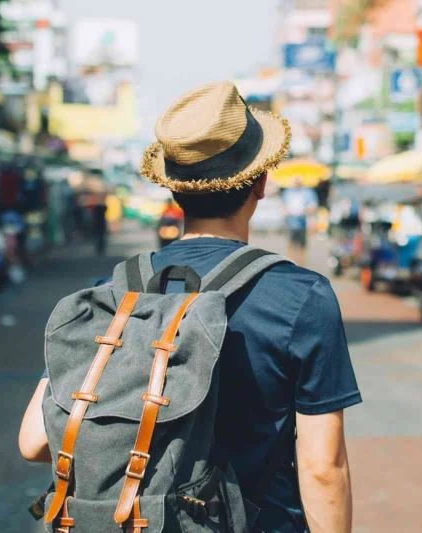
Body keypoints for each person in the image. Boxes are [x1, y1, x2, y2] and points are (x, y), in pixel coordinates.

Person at [18, 81, 360, 533]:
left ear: (173, 191)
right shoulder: (301, 296)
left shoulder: (114, 294)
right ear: (260, 183)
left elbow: (34, 441)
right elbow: (322, 467)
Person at [282, 177, 317, 265]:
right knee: (291, 244)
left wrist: (305, 210)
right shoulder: (287, 192)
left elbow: (313, 206)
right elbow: (283, 206)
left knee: (302, 245)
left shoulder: (308, 192)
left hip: (303, 221)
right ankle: (289, 263)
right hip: (290, 221)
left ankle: (301, 264)